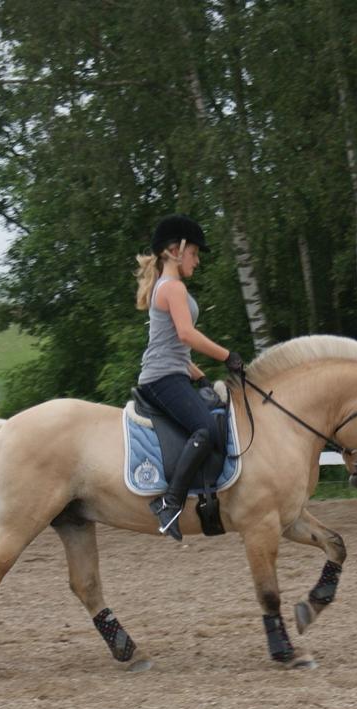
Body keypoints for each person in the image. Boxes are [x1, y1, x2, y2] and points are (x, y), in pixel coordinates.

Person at [135, 215, 244, 541]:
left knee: (210, 416)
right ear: (174, 251)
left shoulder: (165, 287)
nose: (197, 261)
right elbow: (185, 334)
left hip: (173, 374)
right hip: (162, 378)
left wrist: (201, 378)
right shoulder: (173, 287)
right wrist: (228, 356)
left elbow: (172, 346)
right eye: (194, 253)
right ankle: (170, 502)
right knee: (206, 429)